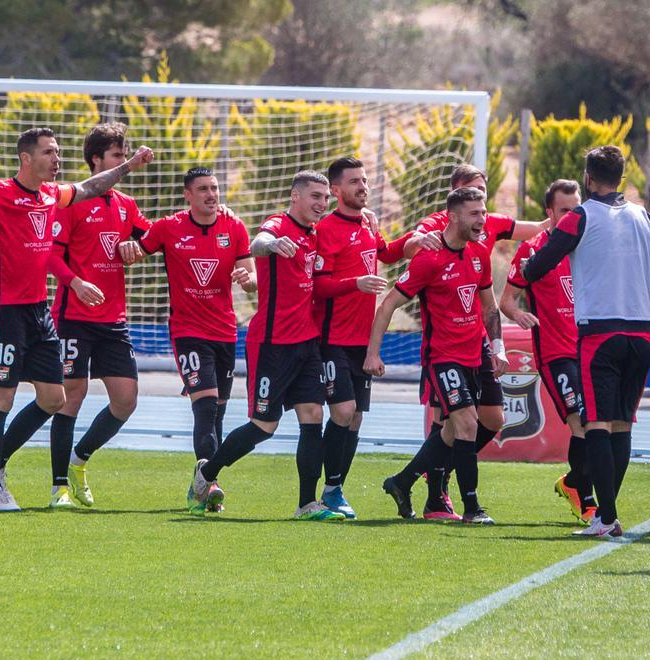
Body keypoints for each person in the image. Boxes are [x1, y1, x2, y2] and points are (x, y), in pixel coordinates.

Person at [0, 127, 153, 511]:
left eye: (58, 152)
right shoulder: (0, 193)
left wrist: (130, 167)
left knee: (54, 399)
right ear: (27, 158)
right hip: (7, 310)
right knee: (2, 399)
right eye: (49, 153)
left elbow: (91, 185)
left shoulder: (54, 195)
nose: (57, 159)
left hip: (41, 313)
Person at [523, 145, 650, 538]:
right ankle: (607, 512)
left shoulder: (580, 217)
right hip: (642, 334)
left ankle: (606, 517)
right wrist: (646, 301)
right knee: (623, 425)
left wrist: (526, 266)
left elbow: (541, 263)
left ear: (588, 179)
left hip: (599, 336)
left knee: (596, 425)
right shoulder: (647, 217)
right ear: (621, 178)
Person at [186, 171, 348, 521]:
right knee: (264, 427)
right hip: (272, 344)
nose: (321, 204)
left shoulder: (315, 233)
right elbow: (260, 242)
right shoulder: (279, 224)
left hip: (306, 343)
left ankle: (307, 504)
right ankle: (206, 473)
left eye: (325, 198)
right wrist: (271, 245)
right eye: (314, 197)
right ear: (295, 197)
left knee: (313, 417)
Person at [402, 164, 544, 517]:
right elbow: (408, 250)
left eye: (483, 190)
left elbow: (538, 230)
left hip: (478, 339)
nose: (480, 203)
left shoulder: (489, 224)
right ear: (456, 194)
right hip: (444, 343)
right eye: (472, 191)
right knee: (449, 422)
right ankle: (438, 496)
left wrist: (572, 222)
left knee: (492, 419)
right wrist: (419, 242)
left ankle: (408, 479)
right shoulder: (436, 225)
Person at [119, 167, 254, 513]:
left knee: (219, 412)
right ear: (188, 196)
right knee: (205, 407)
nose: (212, 194)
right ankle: (210, 484)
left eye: (215, 188)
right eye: (203, 189)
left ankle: (205, 483)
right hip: (188, 332)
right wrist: (126, 249)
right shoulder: (169, 227)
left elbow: (251, 275)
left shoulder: (234, 227)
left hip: (225, 330)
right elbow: (139, 248)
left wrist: (248, 278)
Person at [371, 186, 507, 525]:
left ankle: (402, 481)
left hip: (473, 357)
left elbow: (489, 308)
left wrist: (498, 347)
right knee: (466, 423)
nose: (482, 219)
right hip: (442, 357)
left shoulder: (479, 253)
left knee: (448, 432)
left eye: (484, 211)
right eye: (475, 213)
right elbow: (389, 303)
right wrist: (372, 353)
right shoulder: (429, 258)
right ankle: (472, 508)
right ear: (454, 216)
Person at [45, 122, 151, 509]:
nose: (123, 162)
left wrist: (137, 246)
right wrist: (75, 283)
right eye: (117, 156)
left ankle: (78, 461)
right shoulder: (71, 201)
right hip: (75, 316)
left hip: (114, 319)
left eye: (124, 156)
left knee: (126, 401)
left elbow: (149, 238)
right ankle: (59, 487)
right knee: (72, 395)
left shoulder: (127, 205)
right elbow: (51, 254)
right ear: (96, 160)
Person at [312, 157, 403, 518]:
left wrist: (416, 240)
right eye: (354, 182)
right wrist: (356, 283)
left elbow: (385, 252)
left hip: (362, 340)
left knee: (356, 419)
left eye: (364, 180)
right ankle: (325, 486)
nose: (362, 186)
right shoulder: (326, 229)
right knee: (344, 411)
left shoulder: (368, 225)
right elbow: (318, 286)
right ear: (336, 190)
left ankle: (334, 488)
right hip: (332, 337)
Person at [501, 179, 595, 524]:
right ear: (550, 213)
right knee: (580, 421)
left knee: (597, 425)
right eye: (564, 211)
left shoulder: (589, 244)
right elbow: (506, 300)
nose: (572, 216)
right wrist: (520, 315)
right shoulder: (533, 249)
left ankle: (572, 482)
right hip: (556, 353)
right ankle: (587, 500)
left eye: (576, 209)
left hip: (590, 350)